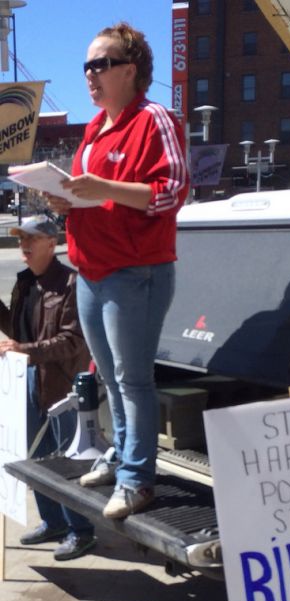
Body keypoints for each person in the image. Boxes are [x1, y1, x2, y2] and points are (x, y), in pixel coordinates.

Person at [47, 21, 189, 520]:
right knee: (110, 376)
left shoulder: (155, 119)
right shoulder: (94, 128)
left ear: (130, 69)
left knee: (133, 379)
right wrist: (67, 202)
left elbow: (173, 191)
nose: (89, 74)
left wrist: (102, 188)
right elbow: (96, 196)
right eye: (86, 65)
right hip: (91, 270)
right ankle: (124, 456)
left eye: (99, 64)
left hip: (135, 272)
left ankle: (136, 479)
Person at [0, 215, 96, 561]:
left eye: (31, 238)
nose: (23, 245)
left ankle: (81, 531)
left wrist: (23, 350)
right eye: (20, 238)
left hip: (64, 388)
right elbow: (16, 329)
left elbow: (73, 341)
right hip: (28, 379)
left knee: (69, 461)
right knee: (36, 456)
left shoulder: (72, 283)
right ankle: (52, 521)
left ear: (51, 243)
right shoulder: (26, 282)